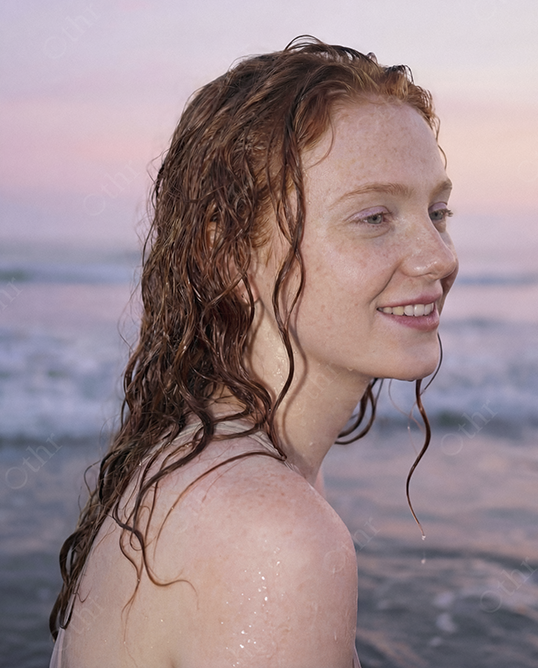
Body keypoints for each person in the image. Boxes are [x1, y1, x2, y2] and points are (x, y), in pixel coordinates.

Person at [49, 36, 458, 667]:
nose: (439, 256)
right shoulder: (270, 532)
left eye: (437, 210)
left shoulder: (207, 457)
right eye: (374, 217)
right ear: (227, 251)